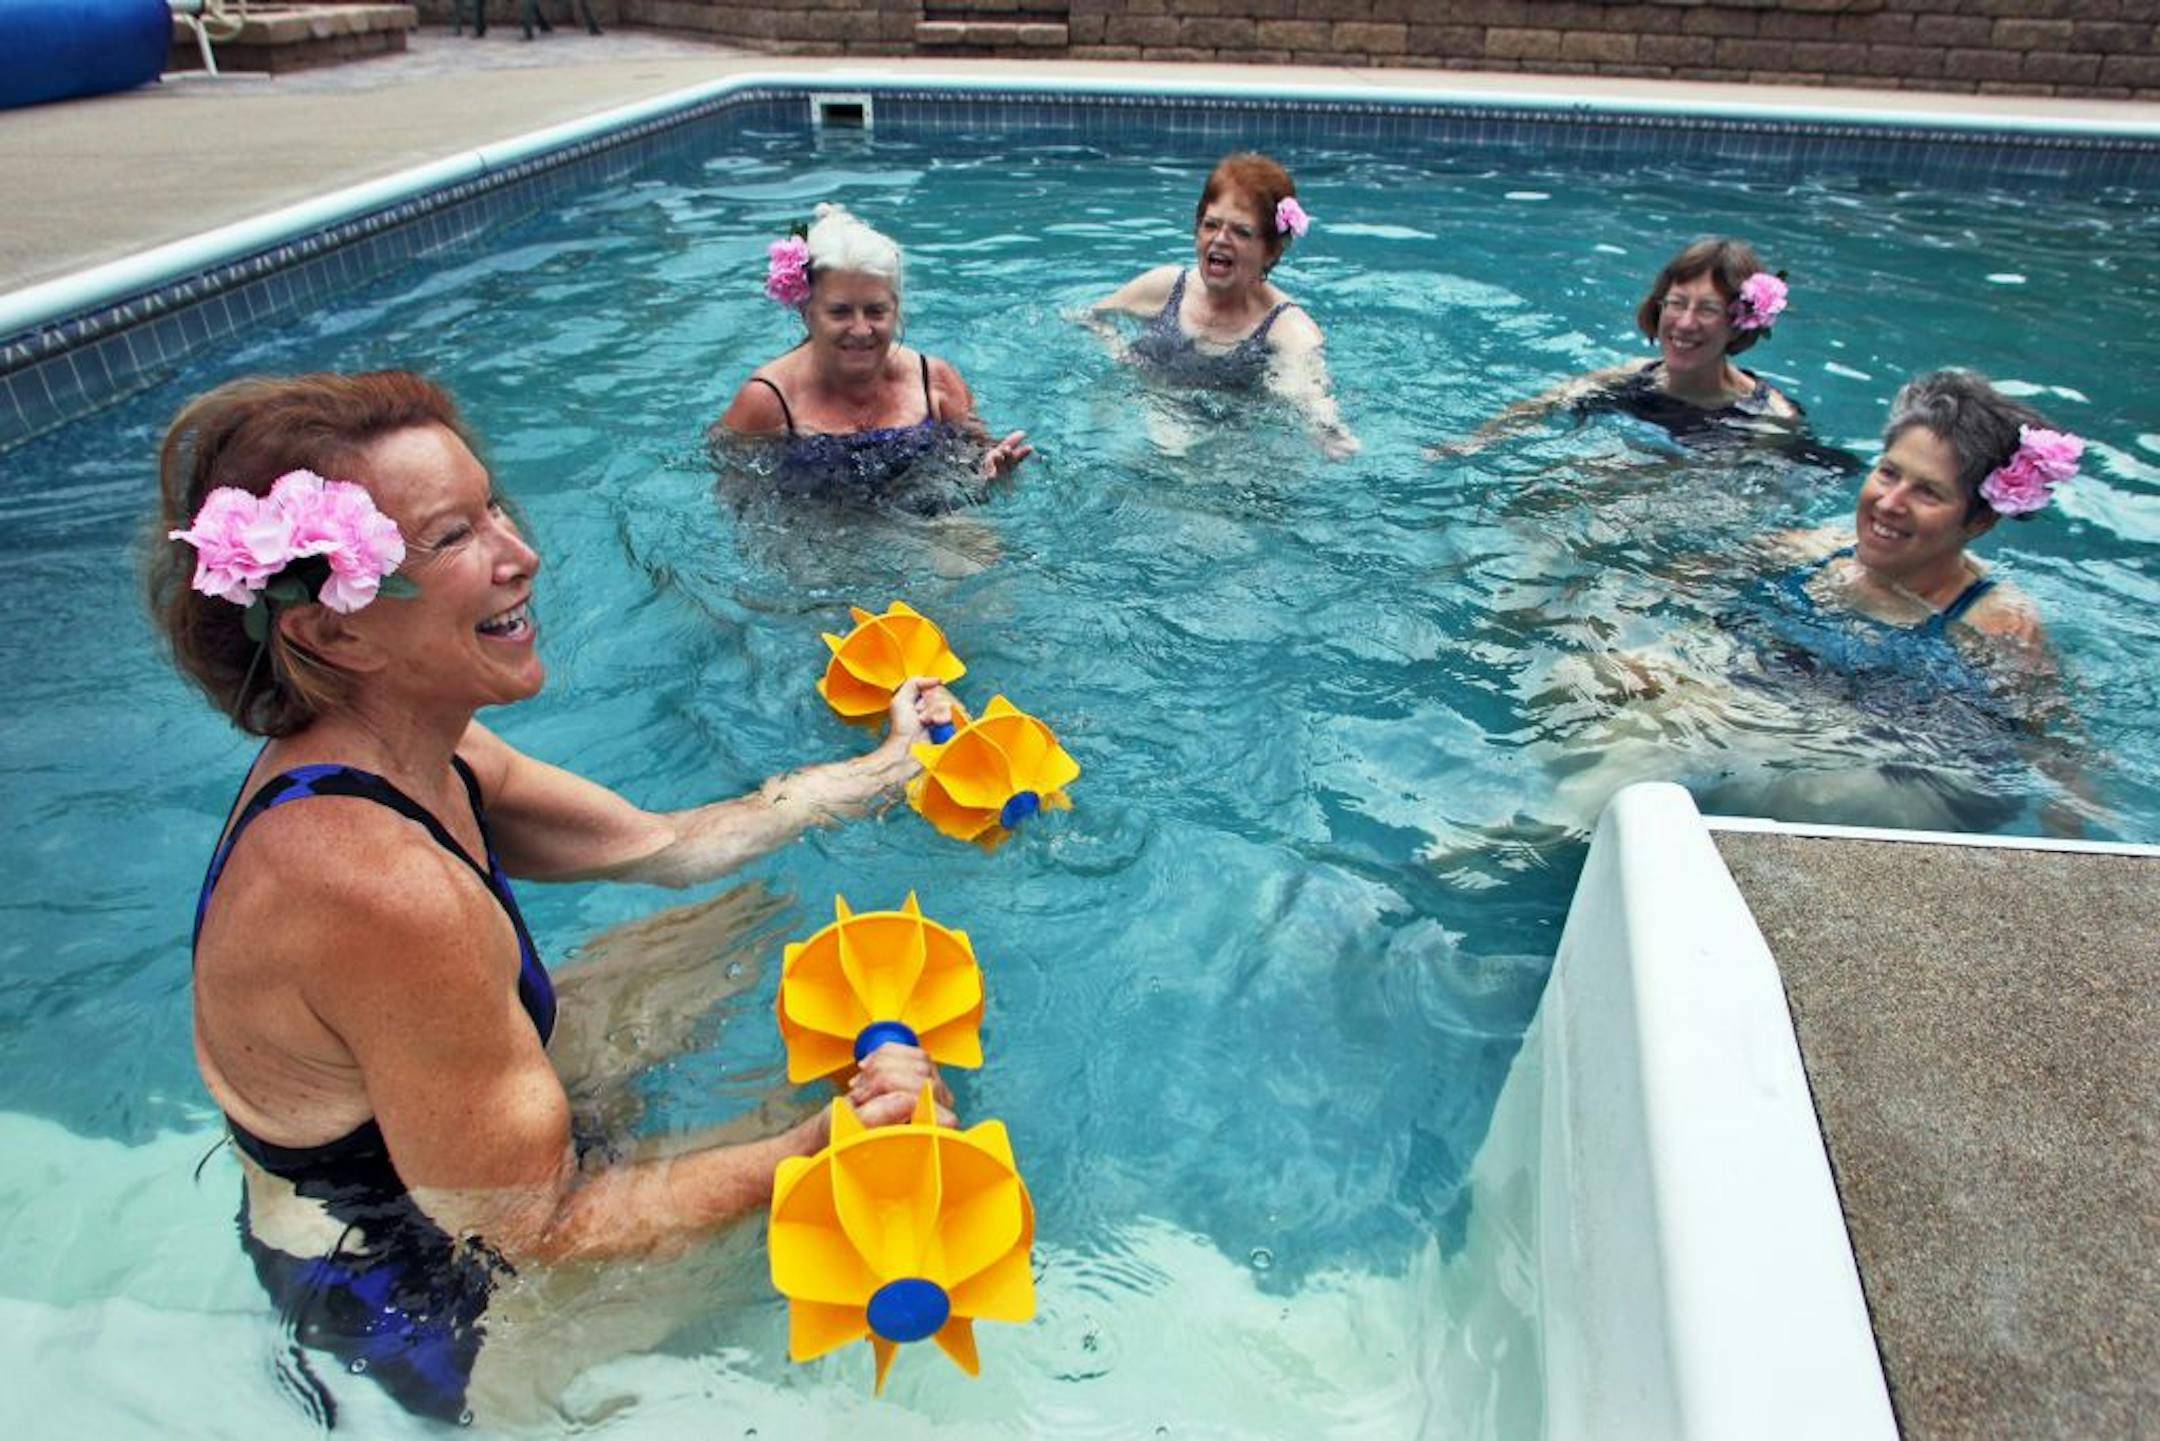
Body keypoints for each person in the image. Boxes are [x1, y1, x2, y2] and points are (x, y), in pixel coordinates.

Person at [149, 371, 962, 1423]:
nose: (520, 552)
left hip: (448, 1152)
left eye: (493, 506)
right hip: (425, 1293)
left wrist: (878, 769)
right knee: (895, 1146)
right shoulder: (376, 884)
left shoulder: (415, 748)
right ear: (336, 634)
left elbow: (666, 848)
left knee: (741, 920)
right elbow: (535, 1227)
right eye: (452, 538)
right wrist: (807, 1146)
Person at [715, 203, 1031, 514]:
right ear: (806, 312)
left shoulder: (935, 381)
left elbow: (978, 459)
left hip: (925, 517)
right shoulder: (767, 401)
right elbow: (734, 498)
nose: (862, 329)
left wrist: (988, 474)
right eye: (840, 312)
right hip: (815, 528)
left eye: (876, 311)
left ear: (896, 308)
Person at [1088, 151, 1358, 458]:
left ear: (1271, 251)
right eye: (1211, 225)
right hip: (1138, 438)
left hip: (1225, 459)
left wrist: (1329, 431)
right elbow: (1088, 318)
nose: (1220, 239)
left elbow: (1309, 394)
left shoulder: (1289, 329)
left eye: (1241, 232)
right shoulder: (1164, 287)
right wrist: (1118, 354)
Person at [1445, 236, 1802, 454]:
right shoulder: (1632, 375)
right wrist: (1474, 443)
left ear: (1738, 323)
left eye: (1708, 309)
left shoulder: (1769, 418)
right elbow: (1540, 406)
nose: (1686, 322)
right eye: (1676, 303)